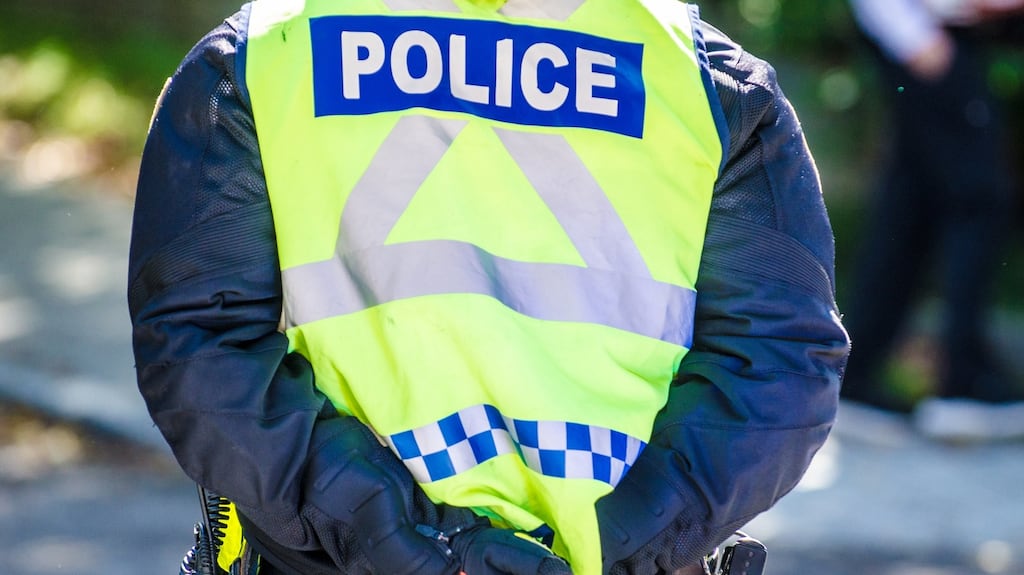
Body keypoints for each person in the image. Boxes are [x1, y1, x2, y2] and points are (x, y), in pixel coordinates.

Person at [127, 1, 849, 573]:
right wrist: (617, 543)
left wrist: (404, 540)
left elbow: (199, 346)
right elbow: (778, 366)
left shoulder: (259, 56)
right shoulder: (711, 84)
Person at [842, 0, 1024, 441]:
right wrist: (912, 30)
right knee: (978, 199)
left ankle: (856, 377)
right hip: (922, 32)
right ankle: (966, 384)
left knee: (910, 208)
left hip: (925, 30)